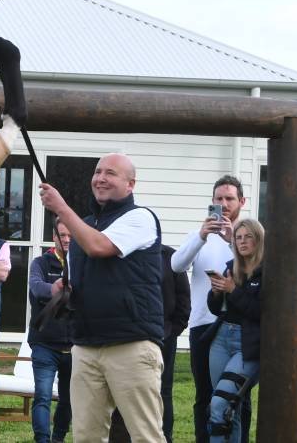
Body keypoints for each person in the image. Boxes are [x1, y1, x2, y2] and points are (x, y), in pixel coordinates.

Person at [39, 153, 165, 443]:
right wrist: (65, 287)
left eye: (111, 173)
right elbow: (87, 267)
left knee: (146, 437)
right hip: (85, 345)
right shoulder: (84, 224)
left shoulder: (141, 217)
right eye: (97, 172)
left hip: (131, 344)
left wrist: (60, 208)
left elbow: (99, 246)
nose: (100, 178)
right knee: (86, 437)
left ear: (130, 184)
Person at [171, 174, 249, 443]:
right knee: (204, 395)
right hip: (203, 325)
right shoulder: (200, 235)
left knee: (238, 396)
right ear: (212, 202)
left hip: (239, 326)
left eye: (229, 198)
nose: (224, 204)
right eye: (219, 199)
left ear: (242, 201)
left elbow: (255, 272)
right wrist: (202, 236)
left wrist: (231, 240)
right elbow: (176, 265)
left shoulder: (248, 237)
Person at [111, 236, 192, 442]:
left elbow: (183, 298)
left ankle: (165, 436)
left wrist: (173, 331)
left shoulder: (171, 258)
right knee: (124, 389)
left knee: (163, 390)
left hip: (164, 336)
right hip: (129, 337)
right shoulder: (125, 256)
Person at [205, 219, 264, 443]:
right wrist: (217, 293)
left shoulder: (268, 271)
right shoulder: (231, 267)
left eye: (248, 236)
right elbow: (215, 309)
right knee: (230, 407)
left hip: (248, 344)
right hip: (221, 340)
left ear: (258, 240)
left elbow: (261, 312)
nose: (242, 242)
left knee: (219, 403)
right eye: (238, 238)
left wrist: (233, 290)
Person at [26, 217, 74, 443]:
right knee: (43, 396)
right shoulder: (40, 263)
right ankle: (42, 440)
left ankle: (58, 438)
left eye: (70, 236)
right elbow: (36, 288)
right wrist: (54, 288)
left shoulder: (81, 264)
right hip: (44, 343)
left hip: (75, 345)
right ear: (54, 236)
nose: (66, 240)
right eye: (62, 235)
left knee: (68, 399)